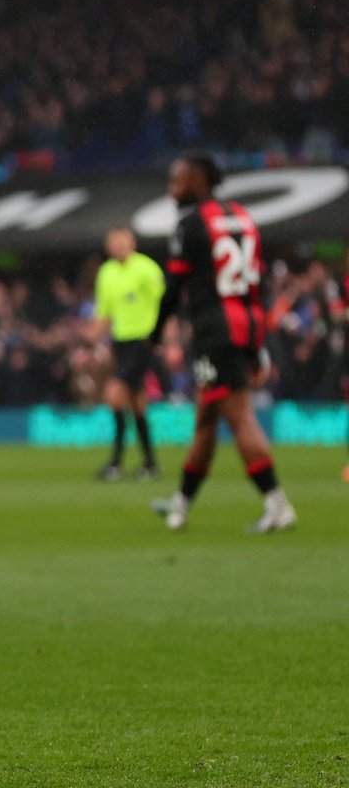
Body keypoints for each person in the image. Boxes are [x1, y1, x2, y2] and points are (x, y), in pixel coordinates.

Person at [149, 153, 296, 533]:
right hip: (245, 323)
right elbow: (258, 284)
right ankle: (180, 504)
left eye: (177, 180)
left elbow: (175, 286)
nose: (172, 188)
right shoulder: (244, 218)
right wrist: (258, 340)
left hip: (216, 331)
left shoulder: (191, 224)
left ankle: (277, 504)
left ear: (197, 181)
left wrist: (155, 334)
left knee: (238, 415)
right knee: (206, 418)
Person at [90, 227, 165, 480]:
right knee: (136, 404)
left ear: (132, 243)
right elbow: (105, 311)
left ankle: (115, 463)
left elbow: (165, 304)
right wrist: (90, 337)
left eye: (123, 242)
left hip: (143, 341)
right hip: (120, 342)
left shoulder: (147, 269)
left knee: (114, 396)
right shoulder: (106, 272)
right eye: (114, 243)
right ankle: (150, 465)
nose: (119, 246)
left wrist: (165, 336)